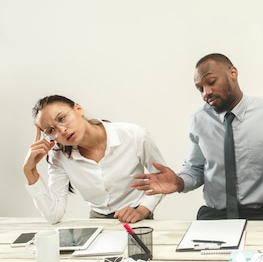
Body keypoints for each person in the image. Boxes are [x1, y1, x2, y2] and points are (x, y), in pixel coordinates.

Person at [132, 53, 263, 221]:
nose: (206, 93)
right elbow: (195, 168)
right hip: (214, 214)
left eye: (211, 82)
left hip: (260, 213)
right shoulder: (199, 120)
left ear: (233, 73)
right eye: (200, 89)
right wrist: (179, 182)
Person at [24, 95, 166, 224]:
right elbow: (53, 215)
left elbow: (164, 179)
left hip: (138, 217)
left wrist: (142, 210)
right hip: (98, 222)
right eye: (51, 130)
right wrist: (30, 171)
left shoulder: (134, 135)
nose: (61, 131)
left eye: (62, 119)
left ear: (78, 109)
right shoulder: (58, 157)